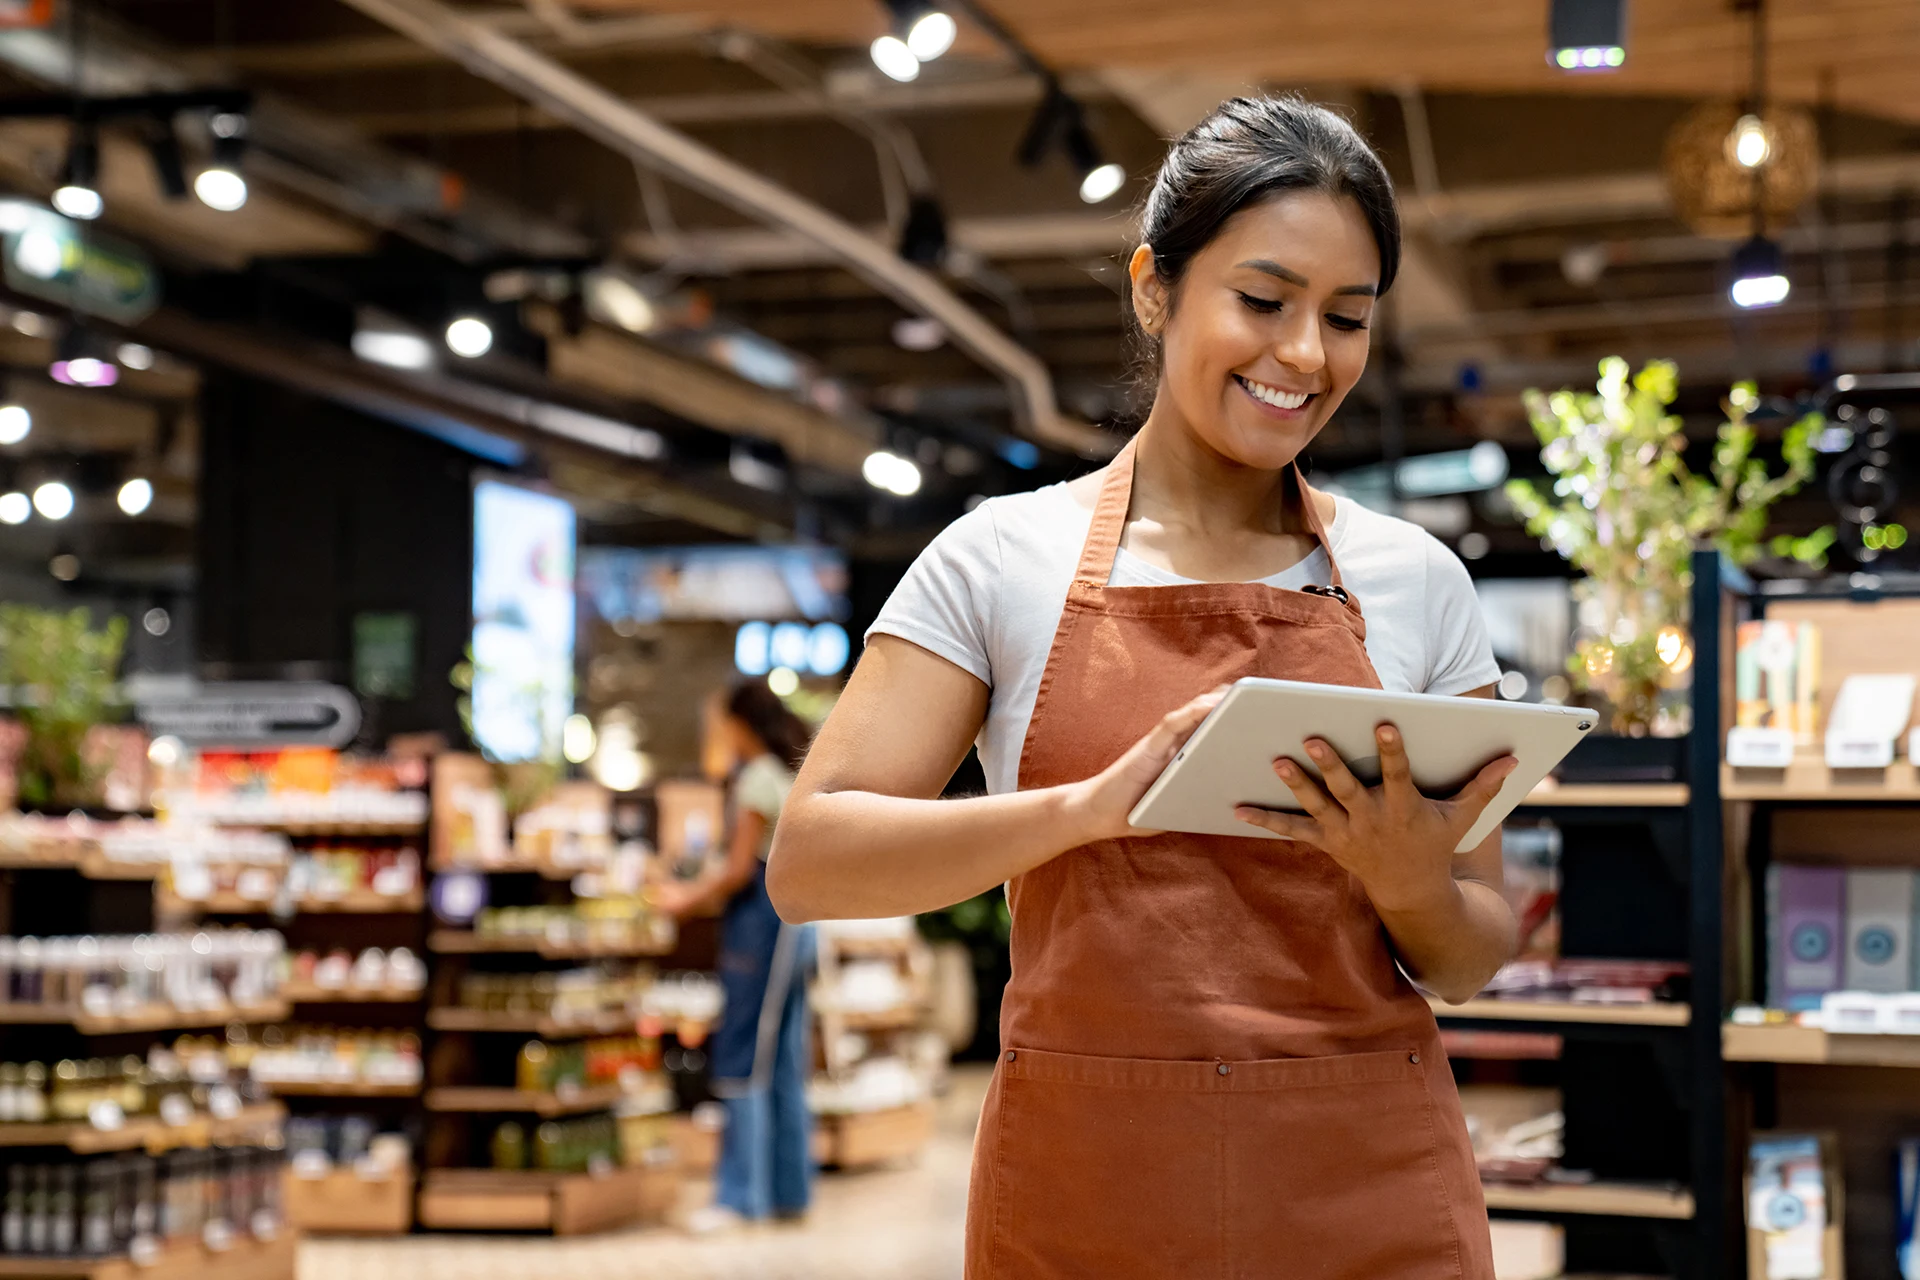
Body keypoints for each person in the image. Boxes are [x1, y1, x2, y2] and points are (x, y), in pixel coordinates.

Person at [769, 96, 1519, 1279]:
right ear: (1153, 289)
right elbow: (811, 862)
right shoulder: (999, 559)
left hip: (1364, 1185)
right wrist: (1084, 810)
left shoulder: (1415, 580)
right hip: (1090, 1187)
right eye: (1263, 301)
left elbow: (1475, 952)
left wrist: (1407, 873)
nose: (1306, 356)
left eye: (1348, 316)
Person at [653, 681, 816, 1233]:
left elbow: (737, 869)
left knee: (743, 1054)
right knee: (784, 1059)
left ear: (739, 722)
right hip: (795, 926)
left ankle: (740, 1196)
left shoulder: (756, 778)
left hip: (763, 927)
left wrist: (683, 898)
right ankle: (790, 1191)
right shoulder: (789, 771)